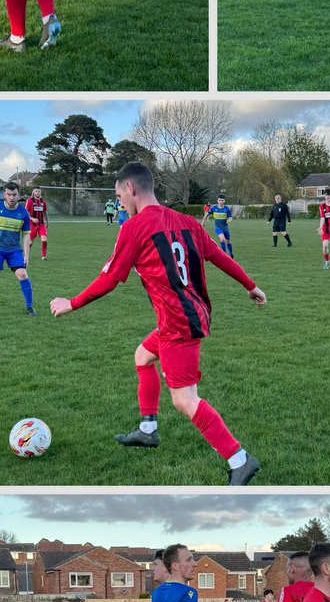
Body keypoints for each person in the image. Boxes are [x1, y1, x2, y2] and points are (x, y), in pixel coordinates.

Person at [50, 163, 267, 484]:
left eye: (118, 194)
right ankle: (148, 430)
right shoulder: (187, 222)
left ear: (131, 189)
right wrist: (251, 286)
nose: (119, 200)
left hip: (178, 323)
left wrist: (72, 303)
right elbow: (220, 256)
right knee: (142, 356)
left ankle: (240, 459)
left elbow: (109, 280)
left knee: (184, 399)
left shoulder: (134, 227)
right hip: (190, 314)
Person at [0, 181, 35, 316]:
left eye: (14, 194)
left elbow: (26, 235)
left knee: (22, 274)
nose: (11, 198)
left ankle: (30, 307)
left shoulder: (23, 213)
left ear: (19, 195)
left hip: (14, 250)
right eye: (9, 194)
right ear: (4, 195)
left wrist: (26, 254)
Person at [26, 186, 50, 260]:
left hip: (41, 224)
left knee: (44, 239)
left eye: (39, 191)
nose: (38, 192)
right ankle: (25, 255)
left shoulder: (43, 201)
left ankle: (44, 256)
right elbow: (26, 212)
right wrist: (32, 218)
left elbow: (45, 212)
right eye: (36, 191)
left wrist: (47, 221)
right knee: (30, 242)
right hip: (32, 224)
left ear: (40, 192)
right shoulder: (30, 201)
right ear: (33, 192)